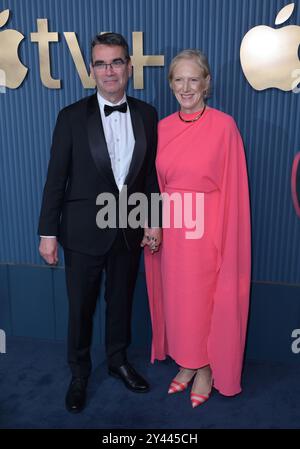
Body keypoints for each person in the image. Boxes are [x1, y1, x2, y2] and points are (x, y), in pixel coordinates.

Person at [38, 32, 161, 413]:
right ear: (91, 69)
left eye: (117, 62)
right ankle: (79, 373)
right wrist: (48, 233)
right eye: (102, 63)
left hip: (129, 228)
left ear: (130, 67)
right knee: (81, 308)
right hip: (82, 232)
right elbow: (56, 179)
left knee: (121, 302)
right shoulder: (71, 117)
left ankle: (118, 361)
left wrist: (153, 221)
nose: (110, 70)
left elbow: (152, 177)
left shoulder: (147, 113)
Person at [144, 49, 251, 408]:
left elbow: (234, 186)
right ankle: (186, 363)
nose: (186, 87)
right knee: (177, 300)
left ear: (207, 84)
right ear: (170, 84)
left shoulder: (224, 126)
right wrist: (153, 222)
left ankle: (205, 367)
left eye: (194, 79)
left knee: (205, 300)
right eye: (179, 80)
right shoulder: (160, 128)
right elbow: (154, 184)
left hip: (209, 229)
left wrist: (226, 237)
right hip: (173, 229)